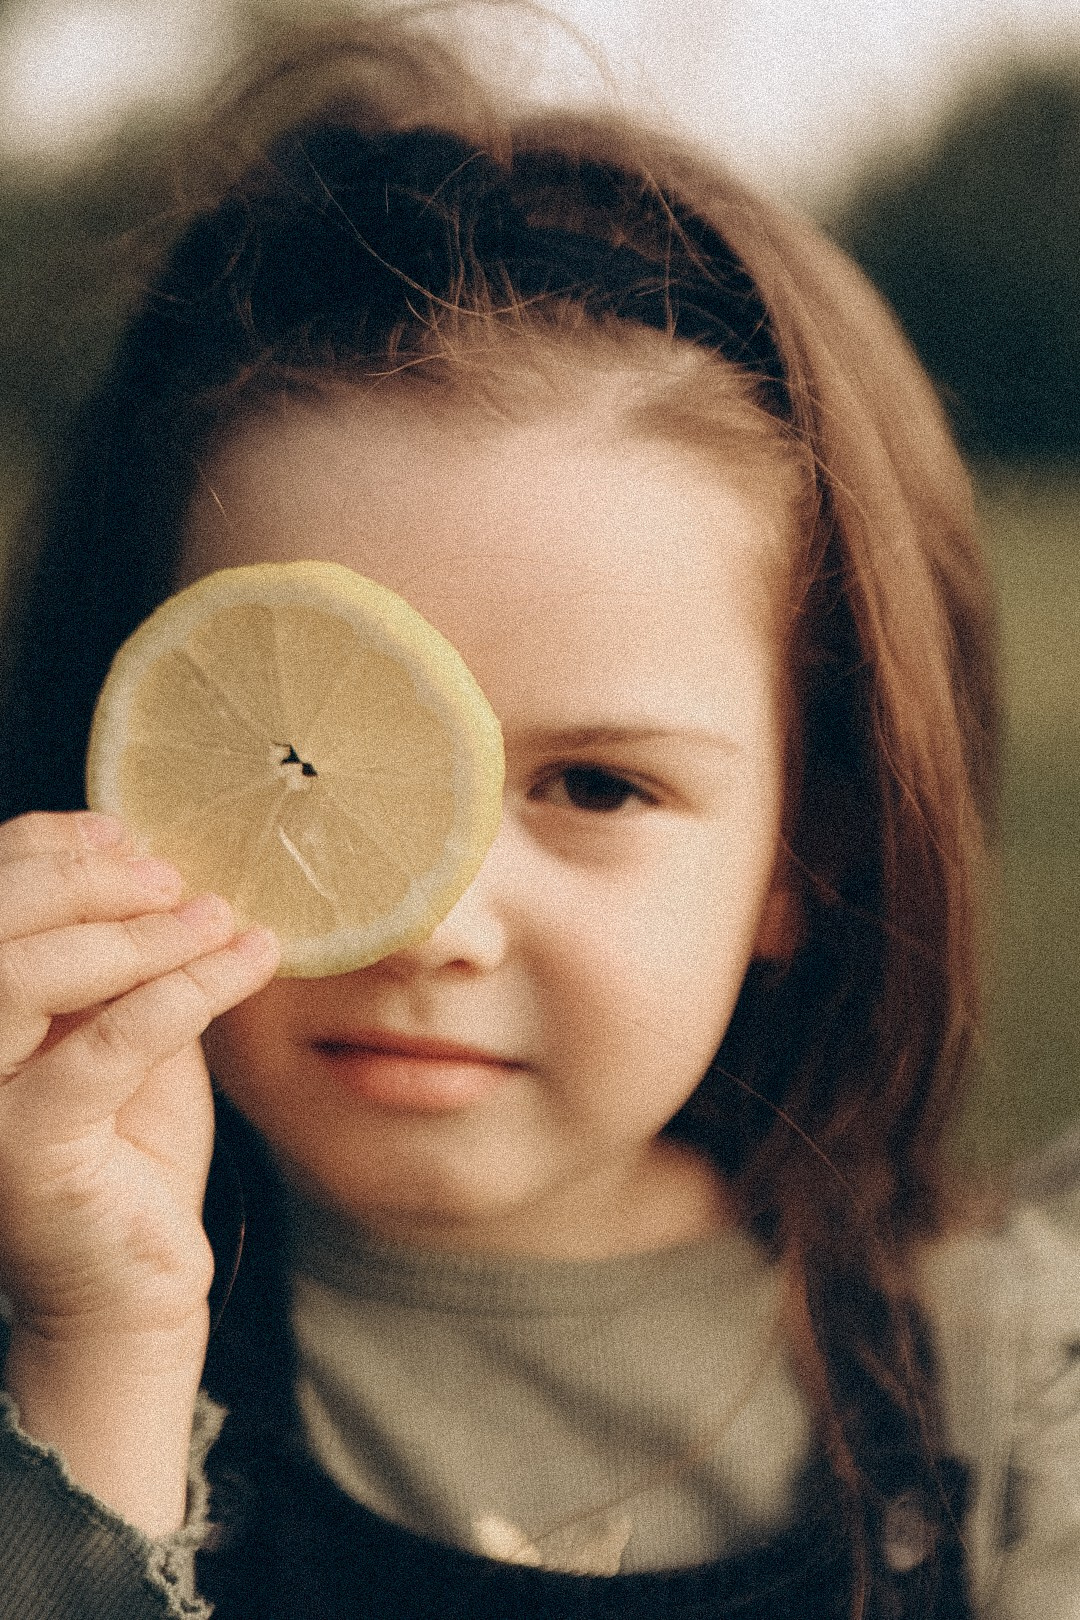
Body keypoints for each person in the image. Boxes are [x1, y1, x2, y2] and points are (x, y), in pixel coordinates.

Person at [0, 15, 1077, 1620]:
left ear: (807, 850)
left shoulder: (994, 1382)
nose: (436, 925)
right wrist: (105, 1344)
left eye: (595, 786)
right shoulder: (54, 1314)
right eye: (304, 757)